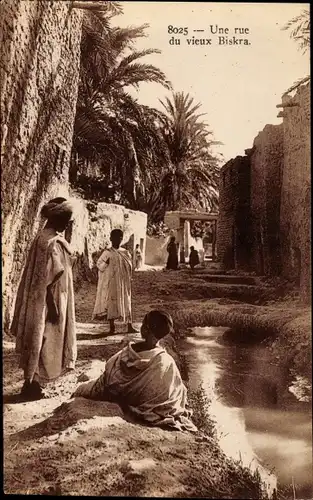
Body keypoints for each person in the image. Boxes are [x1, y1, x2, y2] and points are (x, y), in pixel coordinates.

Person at [73, 310, 197, 432]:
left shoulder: (128, 352)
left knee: (80, 390)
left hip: (112, 392)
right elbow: (176, 389)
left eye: (143, 324)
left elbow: (110, 369)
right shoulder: (166, 361)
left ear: (145, 330)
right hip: (138, 400)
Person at [11, 197, 77, 401]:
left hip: (43, 299)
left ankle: (32, 383)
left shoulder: (45, 239)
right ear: (56, 219)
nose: (67, 224)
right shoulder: (51, 243)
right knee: (45, 339)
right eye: (66, 220)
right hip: (50, 301)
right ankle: (32, 385)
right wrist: (53, 305)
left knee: (39, 338)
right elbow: (49, 277)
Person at [92, 229, 137, 334]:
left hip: (124, 283)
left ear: (122, 239)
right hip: (112, 282)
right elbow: (99, 265)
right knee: (112, 303)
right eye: (116, 238)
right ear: (111, 239)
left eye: (120, 238)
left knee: (126, 301)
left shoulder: (125, 253)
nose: (118, 240)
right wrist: (106, 263)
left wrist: (128, 277)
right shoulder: (107, 252)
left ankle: (129, 326)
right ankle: (112, 327)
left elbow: (130, 267)